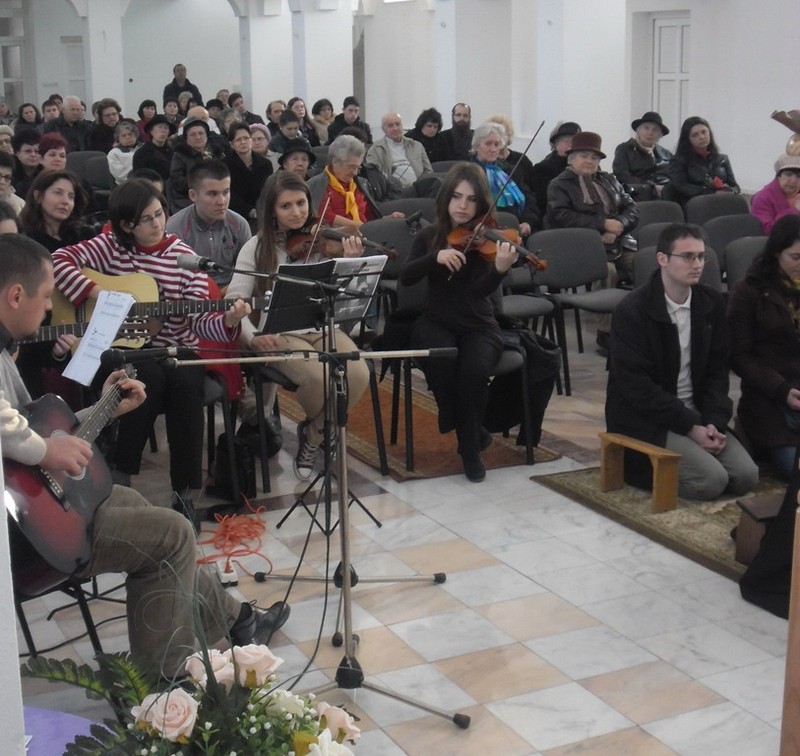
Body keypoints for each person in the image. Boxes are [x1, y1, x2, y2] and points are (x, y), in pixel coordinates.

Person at [0, 233, 289, 676]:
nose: (48, 308)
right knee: (171, 534)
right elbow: (26, 438)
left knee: (137, 505)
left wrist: (105, 407)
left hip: (33, 510)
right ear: (16, 295)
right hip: (23, 536)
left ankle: (237, 620)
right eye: (44, 297)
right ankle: (162, 684)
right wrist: (43, 450)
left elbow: (33, 431)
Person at [52, 178, 251, 502]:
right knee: (146, 376)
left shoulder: (183, 258)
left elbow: (201, 323)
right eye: (147, 219)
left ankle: (185, 493)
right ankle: (121, 475)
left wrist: (228, 320)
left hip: (177, 347)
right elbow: (57, 260)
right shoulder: (110, 246)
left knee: (186, 383)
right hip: (122, 349)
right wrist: (100, 294)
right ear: (126, 225)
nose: (158, 223)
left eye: (160, 214)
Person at [225, 171, 370, 480]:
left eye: (301, 203)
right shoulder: (256, 246)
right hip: (276, 332)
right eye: (286, 206)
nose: (296, 212)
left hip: (321, 326)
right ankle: (324, 432)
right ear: (272, 211)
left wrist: (351, 263)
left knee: (358, 372)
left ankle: (313, 434)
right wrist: (252, 337)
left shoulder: (323, 240)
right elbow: (234, 300)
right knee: (318, 378)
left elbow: (346, 297)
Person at [606, 222, 758, 500]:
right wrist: (690, 427)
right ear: (662, 259)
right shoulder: (633, 310)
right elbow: (637, 387)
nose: (697, 264)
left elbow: (717, 372)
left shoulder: (711, 303)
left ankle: (697, 454)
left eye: (701, 256)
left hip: (698, 413)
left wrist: (713, 422)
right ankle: (646, 469)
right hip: (649, 418)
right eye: (687, 257)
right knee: (711, 481)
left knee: (747, 476)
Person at [399, 163, 517, 482]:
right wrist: (434, 257)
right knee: (441, 358)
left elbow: (478, 292)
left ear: (481, 203)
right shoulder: (429, 236)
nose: (463, 205)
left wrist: (500, 270)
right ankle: (473, 434)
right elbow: (406, 278)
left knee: (474, 372)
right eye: (456, 197)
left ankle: (468, 448)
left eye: (471, 199)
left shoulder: (485, 240)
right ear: (446, 199)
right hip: (435, 320)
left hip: (479, 324)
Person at [727, 215, 800, 479]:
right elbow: (739, 357)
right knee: (794, 468)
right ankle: (756, 441)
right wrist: (782, 389)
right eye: (795, 257)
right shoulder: (749, 291)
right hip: (770, 400)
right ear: (776, 253)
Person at [546, 130, 639, 298]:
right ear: (572, 158)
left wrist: (619, 225)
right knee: (606, 271)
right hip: (582, 246)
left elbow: (632, 208)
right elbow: (562, 217)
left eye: (594, 157)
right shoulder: (558, 185)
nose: (589, 161)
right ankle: (601, 316)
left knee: (646, 263)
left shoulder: (610, 180)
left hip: (619, 242)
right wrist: (602, 224)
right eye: (584, 156)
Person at [167, 160, 252, 289]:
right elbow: (174, 281)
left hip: (232, 292)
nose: (222, 201)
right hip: (192, 294)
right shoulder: (175, 229)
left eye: (226, 192)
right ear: (193, 195)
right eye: (212, 194)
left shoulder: (239, 224)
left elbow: (247, 274)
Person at [471, 121, 540, 237]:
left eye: (497, 144)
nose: (493, 149)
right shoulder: (468, 172)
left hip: (515, 231)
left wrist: (528, 222)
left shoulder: (510, 170)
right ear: (477, 146)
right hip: (482, 233)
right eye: (488, 144)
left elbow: (529, 199)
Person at [307, 134, 383, 231]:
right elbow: (325, 216)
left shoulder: (360, 184)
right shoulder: (317, 185)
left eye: (358, 167)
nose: (355, 173)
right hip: (335, 236)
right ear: (335, 162)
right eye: (351, 167)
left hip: (364, 233)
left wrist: (386, 219)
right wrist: (361, 227)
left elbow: (370, 215)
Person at [666, 116, 740, 206]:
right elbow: (681, 186)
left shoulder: (723, 159)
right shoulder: (678, 160)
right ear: (688, 139)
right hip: (695, 205)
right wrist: (712, 193)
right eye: (695, 135)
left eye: (704, 132)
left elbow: (735, 187)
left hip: (722, 202)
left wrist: (730, 191)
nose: (701, 137)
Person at [20, 169, 90, 253]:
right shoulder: (25, 238)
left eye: (71, 196)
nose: (66, 201)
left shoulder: (82, 236)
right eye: (58, 193)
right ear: (38, 196)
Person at [169, 115, 225, 213]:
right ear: (186, 138)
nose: (198, 137)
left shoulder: (217, 153)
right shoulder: (180, 155)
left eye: (201, 133)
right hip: (189, 200)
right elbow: (177, 181)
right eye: (193, 135)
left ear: (207, 136)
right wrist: (202, 182)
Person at [612, 111, 673, 201]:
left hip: (666, 196)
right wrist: (652, 188)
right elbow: (622, 176)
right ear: (638, 130)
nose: (650, 132)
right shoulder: (624, 149)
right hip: (638, 196)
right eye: (646, 128)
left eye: (655, 130)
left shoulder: (666, 154)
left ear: (660, 135)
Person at [366, 112, 433, 189]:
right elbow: (374, 176)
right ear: (383, 129)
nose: (395, 128)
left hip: (418, 188)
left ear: (402, 125)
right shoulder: (375, 149)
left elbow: (428, 171)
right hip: (392, 190)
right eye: (390, 125)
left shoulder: (416, 145)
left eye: (398, 124)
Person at [529, 121, 581, 217]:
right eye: (566, 141)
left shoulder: (584, 168)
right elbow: (545, 202)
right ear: (556, 144)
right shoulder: (543, 168)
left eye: (575, 142)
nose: (570, 145)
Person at [225, 122, 273, 225]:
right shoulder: (225, 165)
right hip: (235, 215)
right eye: (238, 140)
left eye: (246, 138)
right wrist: (250, 211)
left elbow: (267, 190)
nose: (243, 142)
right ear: (232, 144)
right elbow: (229, 194)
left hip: (261, 213)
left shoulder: (265, 164)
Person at [750, 153, 800, 234]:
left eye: (799, 176)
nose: (793, 181)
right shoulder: (763, 198)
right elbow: (767, 231)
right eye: (788, 174)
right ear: (778, 176)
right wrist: (794, 210)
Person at [131, 114, 175, 183]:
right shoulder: (142, 153)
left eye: (166, 128)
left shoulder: (173, 152)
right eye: (160, 127)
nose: (163, 130)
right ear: (151, 131)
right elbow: (139, 179)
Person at [107, 120, 140, 186]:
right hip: (125, 185)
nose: (127, 137)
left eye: (130, 134)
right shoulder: (114, 153)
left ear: (136, 136)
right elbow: (120, 175)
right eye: (123, 135)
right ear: (118, 138)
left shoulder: (144, 149)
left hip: (148, 183)